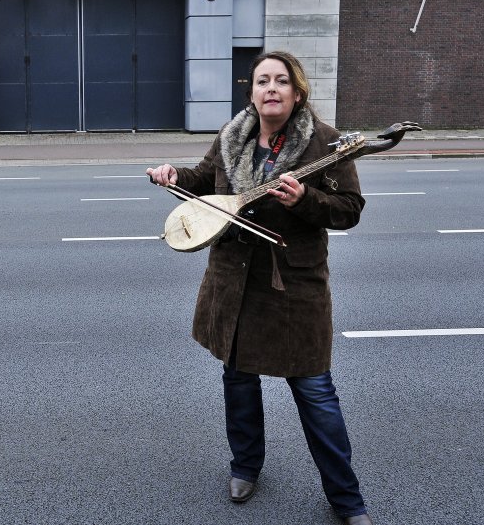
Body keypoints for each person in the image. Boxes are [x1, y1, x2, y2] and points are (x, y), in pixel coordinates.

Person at [146, 51, 373, 525]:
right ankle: (246, 466)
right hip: (234, 281)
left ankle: (347, 500)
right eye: (262, 80)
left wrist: (304, 199)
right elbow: (204, 182)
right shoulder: (233, 137)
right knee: (238, 378)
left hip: (294, 286)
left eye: (281, 81)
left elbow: (349, 208)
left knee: (314, 390)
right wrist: (172, 178)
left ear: (297, 92)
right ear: (251, 91)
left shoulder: (326, 144)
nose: (271, 88)